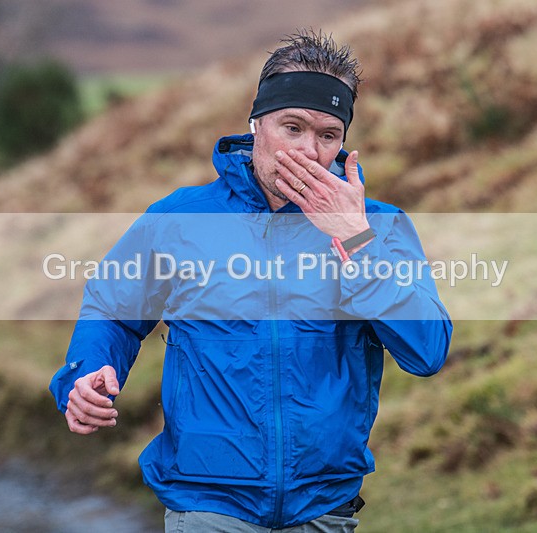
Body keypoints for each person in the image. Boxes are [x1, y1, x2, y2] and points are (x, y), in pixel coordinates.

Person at [50, 30, 452, 532]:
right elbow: (112, 310)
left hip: (323, 511)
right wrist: (88, 373)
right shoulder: (180, 218)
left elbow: (427, 351)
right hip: (208, 506)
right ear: (256, 122)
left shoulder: (380, 227)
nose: (310, 151)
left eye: (328, 135)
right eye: (292, 127)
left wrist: (356, 241)